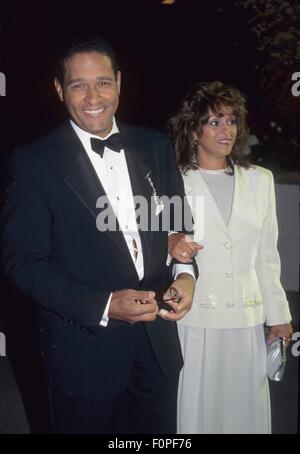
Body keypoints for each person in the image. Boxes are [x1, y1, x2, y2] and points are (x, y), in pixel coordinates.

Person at [1, 34, 197, 434]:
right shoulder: (32, 163)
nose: (93, 96)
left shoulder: (155, 146)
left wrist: (187, 275)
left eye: (103, 82)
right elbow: (22, 261)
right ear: (60, 90)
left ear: (119, 83)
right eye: (78, 84)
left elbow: (179, 226)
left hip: (157, 345)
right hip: (83, 352)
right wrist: (105, 305)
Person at [167, 81, 293, 434]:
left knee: (245, 413)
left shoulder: (260, 180)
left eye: (232, 121)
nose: (226, 130)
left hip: (246, 318)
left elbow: (267, 257)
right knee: (195, 412)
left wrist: (279, 317)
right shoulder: (172, 180)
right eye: (214, 122)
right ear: (193, 130)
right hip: (194, 319)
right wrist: (168, 240)